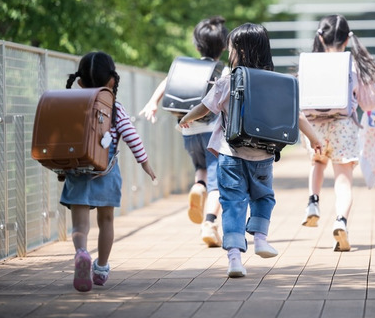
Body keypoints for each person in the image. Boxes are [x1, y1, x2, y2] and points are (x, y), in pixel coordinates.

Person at [179, 23, 322, 278]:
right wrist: (315, 138)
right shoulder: (279, 83)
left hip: (231, 154)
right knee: (264, 197)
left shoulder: (229, 80)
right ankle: (260, 238)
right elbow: (296, 116)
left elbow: (205, 107)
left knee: (233, 203)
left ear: (239, 52)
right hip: (264, 155)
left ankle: (234, 258)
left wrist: (186, 118)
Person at [61, 51, 157, 292]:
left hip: (78, 171)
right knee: (106, 222)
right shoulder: (114, 108)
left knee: (80, 226)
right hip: (107, 172)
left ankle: (81, 253)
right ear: (112, 81)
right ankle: (101, 268)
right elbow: (131, 135)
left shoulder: (72, 105)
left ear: (80, 82)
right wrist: (144, 163)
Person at [139, 16, 229, 247]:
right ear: (224, 46)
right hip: (213, 133)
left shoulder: (186, 67)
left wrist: (152, 103)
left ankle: (198, 188)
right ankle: (209, 223)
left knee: (201, 169)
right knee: (219, 182)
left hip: (188, 132)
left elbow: (167, 81)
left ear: (197, 45)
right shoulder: (223, 71)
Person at [300, 14, 375, 252]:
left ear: (320, 37)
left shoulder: (310, 63)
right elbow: (370, 103)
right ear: (348, 39)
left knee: (317, 164)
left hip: (314, 126)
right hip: (344, 126)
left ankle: (313, 202)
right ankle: (341, 221)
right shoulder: (355, 65)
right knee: (343, 180)